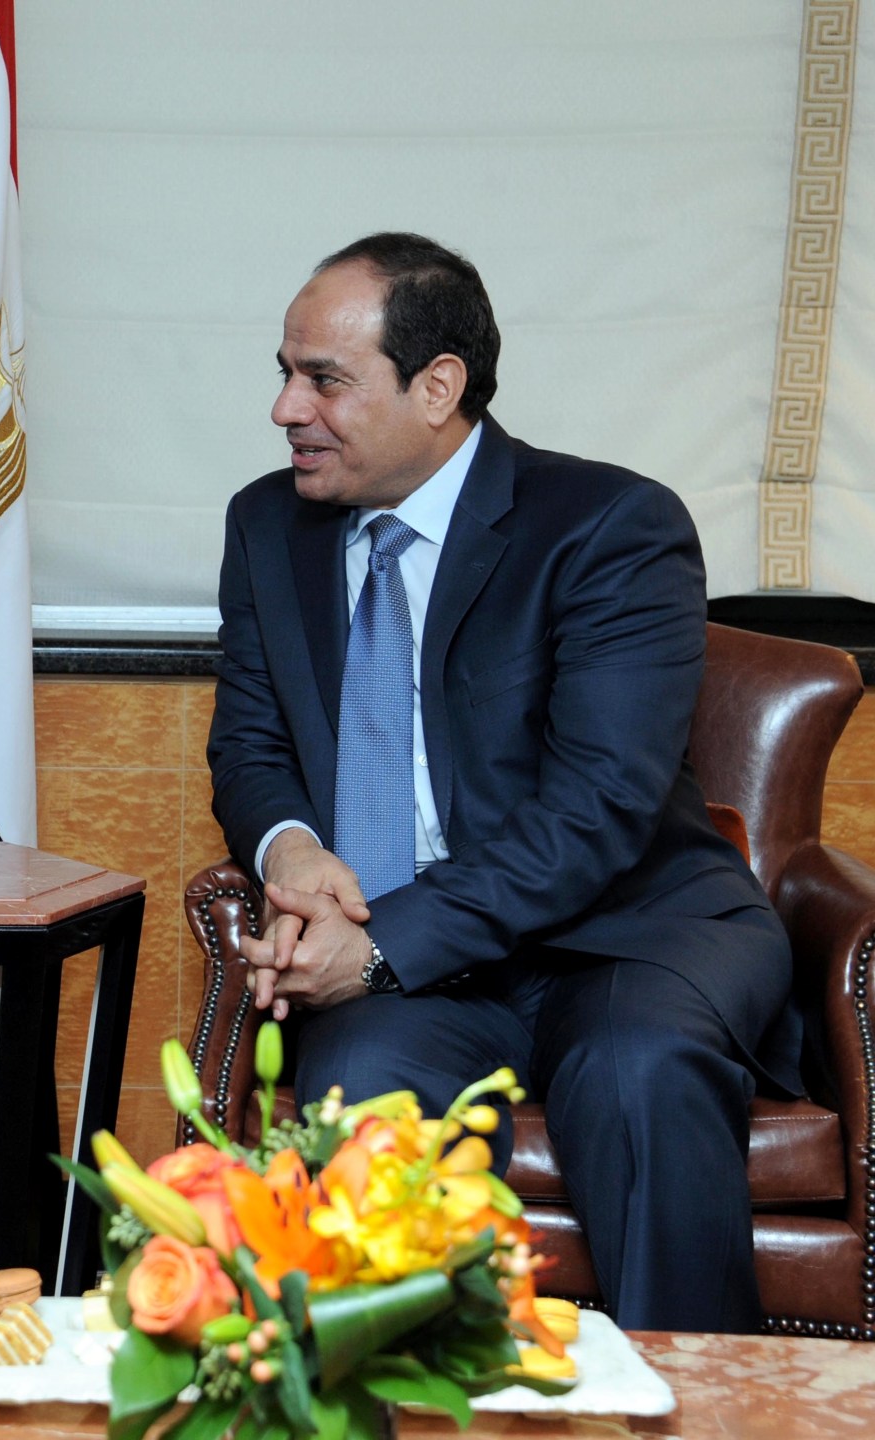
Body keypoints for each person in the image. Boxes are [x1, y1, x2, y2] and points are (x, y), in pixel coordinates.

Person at [207, 232, 800, 1333]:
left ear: (438, 388)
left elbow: (598, 809)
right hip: (415, 968)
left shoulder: (609, 527)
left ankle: (695, 1397)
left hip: (625, 936)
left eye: (324, 379)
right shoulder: (267, 525)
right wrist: (295, 851)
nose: (286, 408)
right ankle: (385, 1396)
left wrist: (374, 948)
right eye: (285, 373)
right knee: (358, 1094)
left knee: (637, 1072)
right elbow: (249, 746)